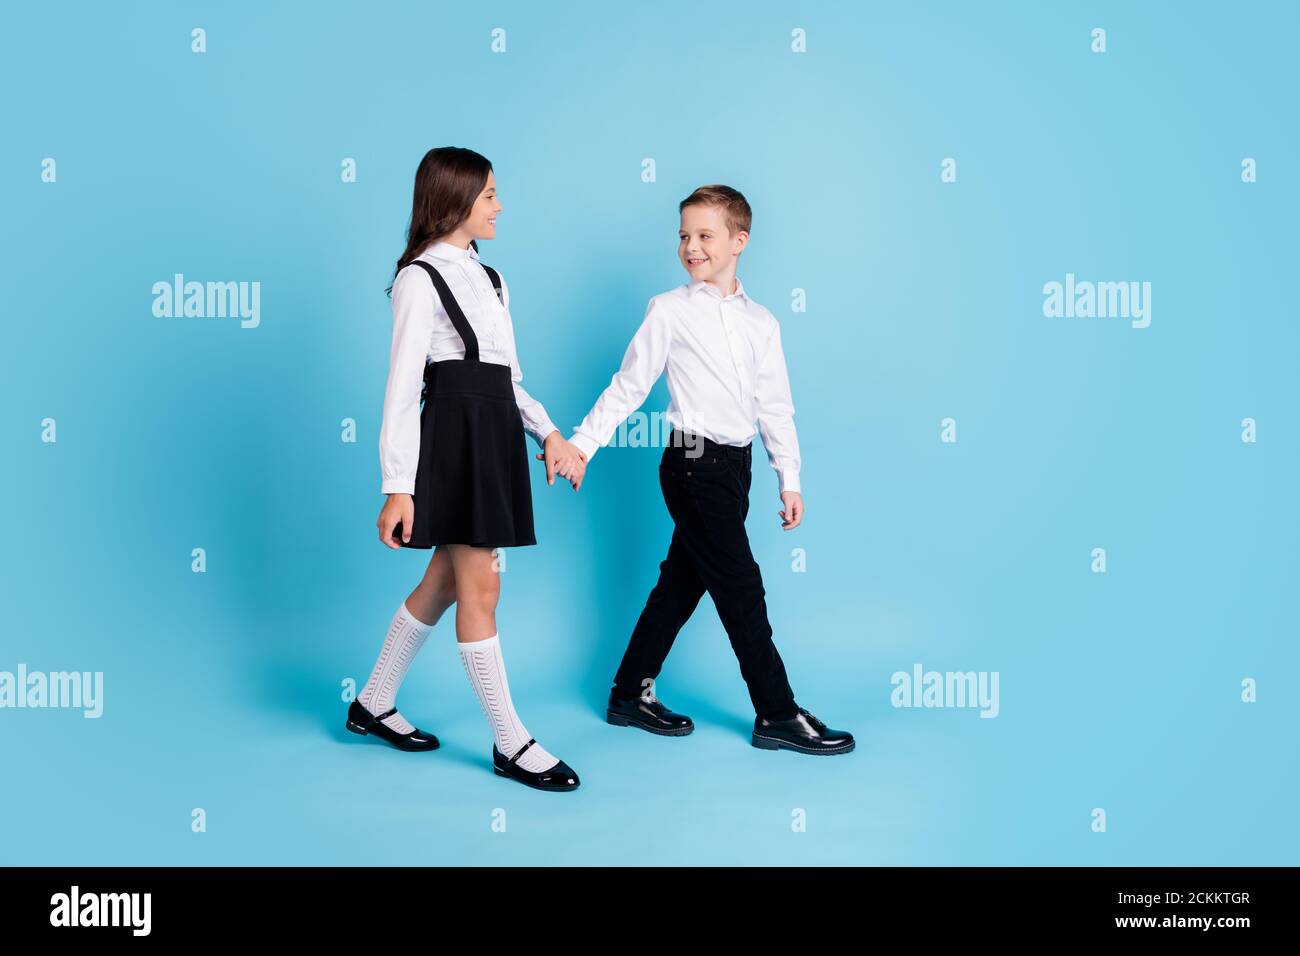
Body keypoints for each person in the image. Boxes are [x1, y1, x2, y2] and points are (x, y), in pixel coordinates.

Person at [552, 185, 854, 756]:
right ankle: (777, 712)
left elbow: (776, 406)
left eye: (705, 235)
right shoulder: (669, 310)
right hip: (691, 464)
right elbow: (629, 386)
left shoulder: (762, 322)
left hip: (734, 469)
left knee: (680, 585)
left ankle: (627, 693)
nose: (691, 246)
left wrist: (788, 477)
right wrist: (581, 445)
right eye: (684, 235)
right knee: (742, 587)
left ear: (739, 242)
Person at [347, 146, 583, 791]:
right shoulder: (419, 278)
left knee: (447, 581)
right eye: (488, 196)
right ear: (454, 200)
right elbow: (401, 388)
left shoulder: (494, 278)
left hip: (496, 433)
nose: (499, 206)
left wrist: (552, 434)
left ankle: (371, 703)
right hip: (453, 442)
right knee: (482, 588)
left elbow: (507, 380)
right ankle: (512, 742)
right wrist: (398, 486)